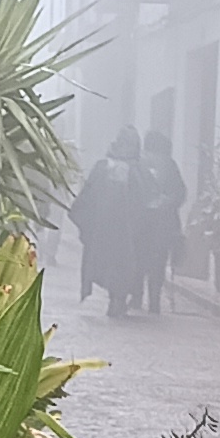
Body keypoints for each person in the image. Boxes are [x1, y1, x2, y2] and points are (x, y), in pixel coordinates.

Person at [73, 130, 150, 318]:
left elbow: (86, 198)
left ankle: (116, 298)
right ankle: (117, 298)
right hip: (123, 231)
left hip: (107, 229)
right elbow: (147, 200)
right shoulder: (137, 170)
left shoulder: (104, 167)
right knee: (122, 266)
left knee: (112, 265)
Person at [136, 130, 189, 312]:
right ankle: (145, 299)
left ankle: (146, 299)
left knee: (150, 262)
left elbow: (180, 193)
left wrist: (167, 201)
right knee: (148, 263)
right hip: (151, 224)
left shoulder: (164, 166)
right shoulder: (144, 165)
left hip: (154, 224)